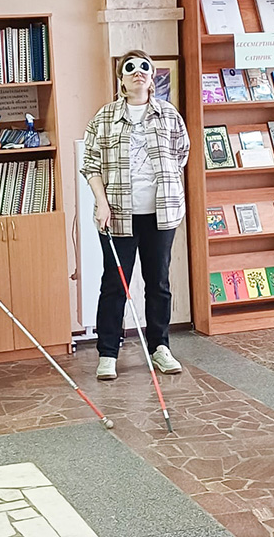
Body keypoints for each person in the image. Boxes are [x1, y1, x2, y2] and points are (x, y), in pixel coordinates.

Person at [81, 49, 190, 381]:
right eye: (130, 68)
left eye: (144, 67)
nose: (138, 72)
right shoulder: (105, 117)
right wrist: (102, 203)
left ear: (152, 76)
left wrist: (166, 187)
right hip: (117, 215)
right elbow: (91, 164)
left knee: (158, 282)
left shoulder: (169, 115)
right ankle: (108, 353)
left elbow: (181, 154)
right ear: (121, 78)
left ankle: (160, 347)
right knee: (115, 284)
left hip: (161, 214)